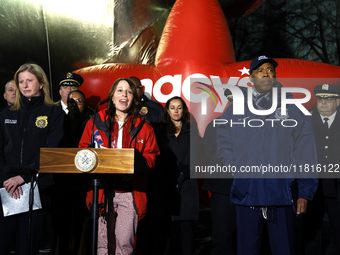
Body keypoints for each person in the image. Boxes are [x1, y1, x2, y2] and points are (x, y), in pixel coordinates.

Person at [217, 55, 318, 255]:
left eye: (270, 70)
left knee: (284, 250)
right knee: (247, 250)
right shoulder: (236, 108)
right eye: (260, 70)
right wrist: (236, 166)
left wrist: (305, 192)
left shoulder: (292, 109)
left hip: (281, 194)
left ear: (275, 76)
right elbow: (223, 141)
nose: (266, 73)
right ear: (251, 78)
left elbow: (306, 151)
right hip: (247, 194)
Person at [79, 78, 159, 255]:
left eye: (129, 91)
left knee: (124, 245)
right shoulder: (95, 123)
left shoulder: (144, 127)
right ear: (112, 97)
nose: (124, 94)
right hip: (101, 192)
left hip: (130, 193)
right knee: (102, 245)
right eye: (120, 90)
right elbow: (83, 151)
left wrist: (137, 170)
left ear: (133, 98)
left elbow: (151, 156)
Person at [0, 63, 64, 255]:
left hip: (36, 188)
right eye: (21, 81)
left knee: (27, 247)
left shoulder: (54, 112)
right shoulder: (6, 115)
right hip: (7, 189)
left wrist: (25, 177)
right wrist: (7, 180)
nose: (24, 85)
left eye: (30, 80)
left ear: (42, 83)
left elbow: (52, 150)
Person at [157, 96, 199, 255]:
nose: (176, 111)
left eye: (179, 107)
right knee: (166, 233)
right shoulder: (159, 132)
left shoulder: (192, 131)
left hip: (187, 188)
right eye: (172, 107)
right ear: (167, 110)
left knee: (186, 232)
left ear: (184, 110)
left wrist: (181, 175)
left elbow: (195, 158)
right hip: (165, 188)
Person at [54, 89, 94, 255]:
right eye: (71, 101)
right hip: (62, 179)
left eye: (79, 101)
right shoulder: (59, 120)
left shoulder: (92, 122)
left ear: (85, 104)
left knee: (80, 220)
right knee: (61, 220)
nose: (75, 104)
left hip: (82, 180)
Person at [302, 84, 340, 254]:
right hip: (313, 187)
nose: (323, 102)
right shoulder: (306, 123)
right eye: (320, 98)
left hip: (336, 187)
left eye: (329, 98)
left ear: (337, 101)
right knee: (311, 231)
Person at [202, 89, 236, 255]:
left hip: (248, 188)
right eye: (232, 101)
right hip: (222, 188)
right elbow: (208, 152)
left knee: (247, 236)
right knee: (222, 237)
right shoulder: (215, 125)